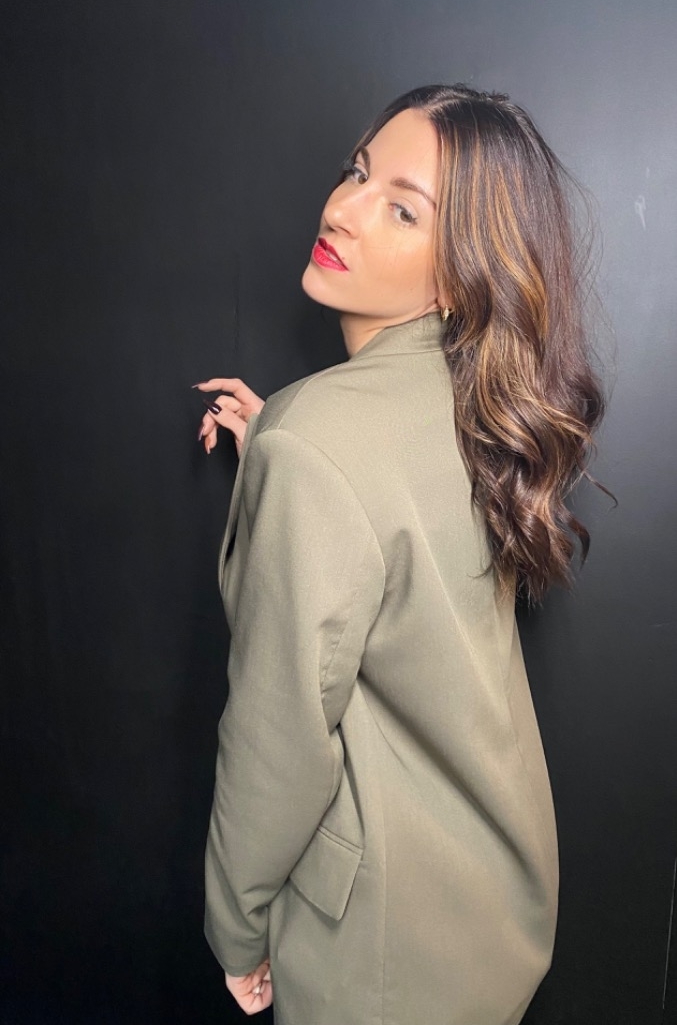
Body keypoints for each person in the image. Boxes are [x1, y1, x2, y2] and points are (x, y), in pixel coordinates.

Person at [194, 84, 607, 1025]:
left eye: (402, 208)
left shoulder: (320, 441)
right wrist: (281, 456)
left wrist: (236, 928)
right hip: (493, 909)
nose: (343, 209)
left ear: (460, 270)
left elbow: (276, 741)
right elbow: (403, 548)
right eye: (356, 172)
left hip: (380, 950)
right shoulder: (479, 403)